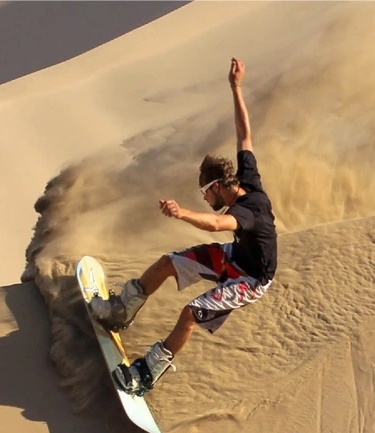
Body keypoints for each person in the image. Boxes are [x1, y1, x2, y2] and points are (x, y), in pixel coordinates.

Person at [90, 57, 278, 394]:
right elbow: (244, 135)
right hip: (234, 257)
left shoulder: (250, 211)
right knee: (167, 264)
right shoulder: (247, 176)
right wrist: (236, 87)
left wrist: (182, 213)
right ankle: (120, 311)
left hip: (251, 279)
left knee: (191, 313)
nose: (205, 198)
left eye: (205, 193)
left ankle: (145, 375)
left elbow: (218, 223)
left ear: (218, 187)